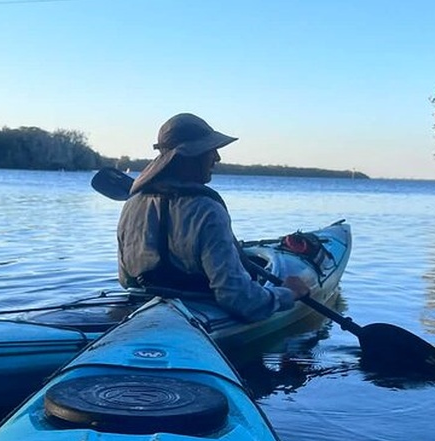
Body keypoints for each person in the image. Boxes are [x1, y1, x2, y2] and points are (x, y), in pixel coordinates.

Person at [117, 113, 309, 322]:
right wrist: (288, 294)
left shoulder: (132, 204)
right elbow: (239, 299)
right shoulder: (207, 210)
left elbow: (126, 280)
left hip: (143, 310)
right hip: (198, 316)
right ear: (188, 157)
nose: (217, 158)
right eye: (210, 150)